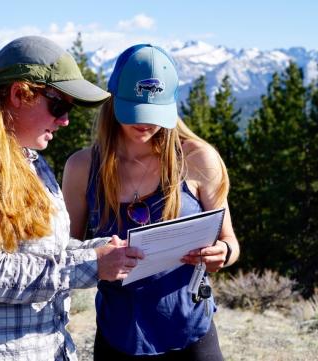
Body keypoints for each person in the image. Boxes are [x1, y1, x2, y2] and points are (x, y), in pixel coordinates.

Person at [0, 36, 144, 361]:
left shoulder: (31, 161)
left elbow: (49, 251)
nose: (65, 120)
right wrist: (94, 266)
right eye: (59, 106)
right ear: (19, 94)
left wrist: (107, 249)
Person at [62, 44, 240, 360]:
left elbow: (230, 242)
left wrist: (221, 254)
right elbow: (64, 253)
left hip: (192, 333)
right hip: (119, 335)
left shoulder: (198, 160)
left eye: (155, 113)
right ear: (113, 100)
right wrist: (98, 260)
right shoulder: (82, 168)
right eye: (135, 111)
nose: (145, 124)